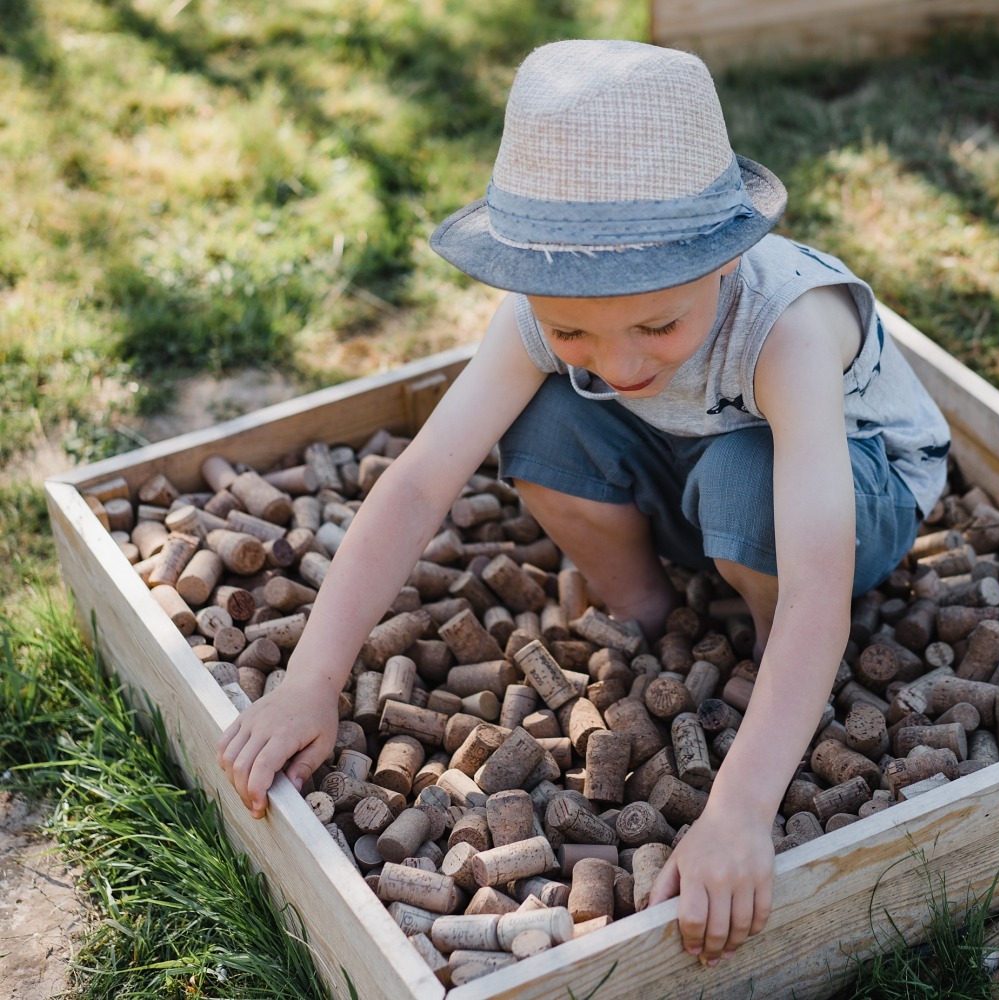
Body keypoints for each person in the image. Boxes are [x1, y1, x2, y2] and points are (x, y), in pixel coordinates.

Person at [217, 39, 949, 966]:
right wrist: (313, 681)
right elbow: (418, 483)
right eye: (572, 329)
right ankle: (641, 607)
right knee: (549, 421)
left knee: (740, 479)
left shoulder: (787, 327)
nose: (624, 362)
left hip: (853, 488)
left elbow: (815, 579)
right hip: (692, 461)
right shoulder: (550, 312)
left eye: (659, 323)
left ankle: (777, 667)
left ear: (729, 260)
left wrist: (736, 813)